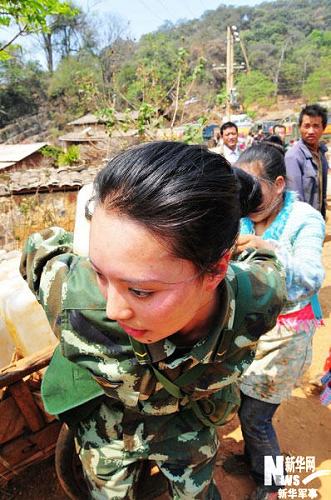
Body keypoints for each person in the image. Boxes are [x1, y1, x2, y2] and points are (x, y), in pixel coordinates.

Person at [20, 141, 286, 500]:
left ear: (217, 269)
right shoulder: (72, 295)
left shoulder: (260, 296)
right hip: (110, 436)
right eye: (99, 273)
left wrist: (225, 239)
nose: (113, 310)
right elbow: (38, 248)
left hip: (188, 433)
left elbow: (265, 261)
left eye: (141, 291)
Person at [223, 143, 325, 500]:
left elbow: (311, 277)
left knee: (255, 417)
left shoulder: (305, 220)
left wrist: (265, 247)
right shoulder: (243, 215)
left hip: (286, 335)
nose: (246, 195)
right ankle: (254, 461)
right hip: (249, 331)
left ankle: (273, 484)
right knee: (240, 401)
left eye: (254, 186)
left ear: (279, 183)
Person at [285, 104, 329, 218]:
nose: (311, 131)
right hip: (303, 223)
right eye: (307, 126)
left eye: (316, 126)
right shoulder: (293, 157)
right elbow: (295, 200)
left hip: (318, 219)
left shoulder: (321, 155)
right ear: (300, 127)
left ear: (323, 128)